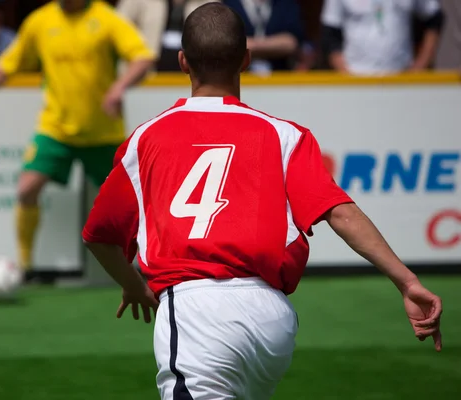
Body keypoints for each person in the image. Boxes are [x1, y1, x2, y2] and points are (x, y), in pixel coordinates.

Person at [82, 3, 443, 399]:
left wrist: (134, 286)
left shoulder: (145, 139)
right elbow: (340, 212)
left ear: (183, 62)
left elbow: (98, 235)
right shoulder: (285, 136)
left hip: (195, 311)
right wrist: (406, 281)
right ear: (246, 59)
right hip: (271, 320)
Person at [0, 0, 154, 277]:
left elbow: (143, 58)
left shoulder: (106, 18)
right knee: (26, 189)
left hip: (103, 132)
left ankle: (150, 263)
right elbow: (9, 63)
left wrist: (119, 87)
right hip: (56, 130)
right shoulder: (40, 21)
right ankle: (25, 266)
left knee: (133, 203)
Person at [322, 0, 444, 75]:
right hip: (356, 79)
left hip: (401, 79)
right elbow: (331, 32)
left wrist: (420, 66)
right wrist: (344, 73)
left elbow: (434, 18)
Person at [116, 0, 218, 71]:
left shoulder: (210, 3)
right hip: (144, 81)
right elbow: (117, 33)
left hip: (192, 81)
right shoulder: (134, 2)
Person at [223, 0, 304, 73]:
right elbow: (227, 44)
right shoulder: (228, 5)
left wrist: (249, 45)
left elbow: (292, 43)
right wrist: (274, 45)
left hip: (279, 79)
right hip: (240, 79)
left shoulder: (285, 4)